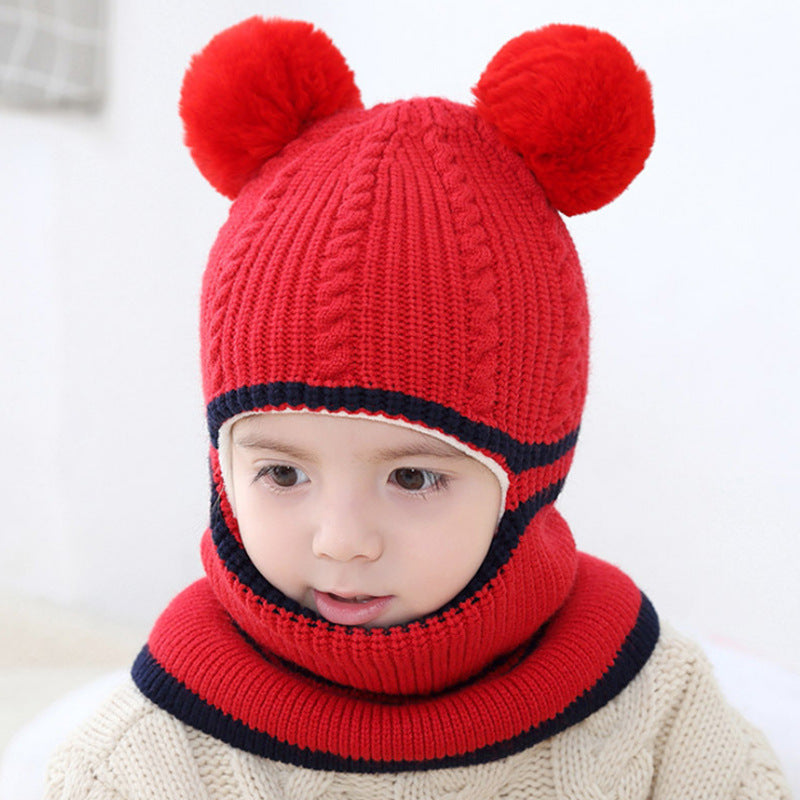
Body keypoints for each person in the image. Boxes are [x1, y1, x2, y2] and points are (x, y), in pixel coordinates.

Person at [46, 16, 791, 800]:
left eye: (412, 478)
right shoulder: (151, 750)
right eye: (282, 473)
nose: (341, 540)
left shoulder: (648, 703)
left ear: (529, 473)